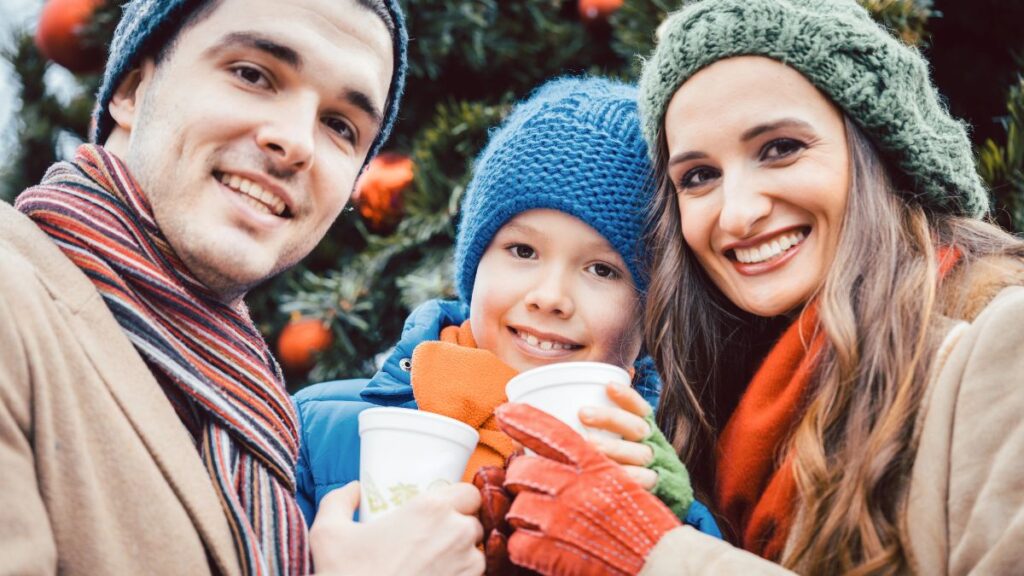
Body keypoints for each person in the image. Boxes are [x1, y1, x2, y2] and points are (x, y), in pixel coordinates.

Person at [495, 0, 1024, 574]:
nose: (738, 214)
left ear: (882, 150)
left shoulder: (999, 338)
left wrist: (656, 555)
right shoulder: (690, 402)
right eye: (699, 177)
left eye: (780, 149)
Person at [0, 0, 485, 574]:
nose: (297, 143)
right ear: (130, 89)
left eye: (340, 126)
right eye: (253, 74)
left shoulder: (254, 405)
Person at [293, 78, 720, 562]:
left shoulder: (667, 487)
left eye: (602, 270)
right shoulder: (319, 429)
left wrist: (656, 534)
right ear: (474, 266)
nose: (550, 297)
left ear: (651, 308)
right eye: (523, 250)